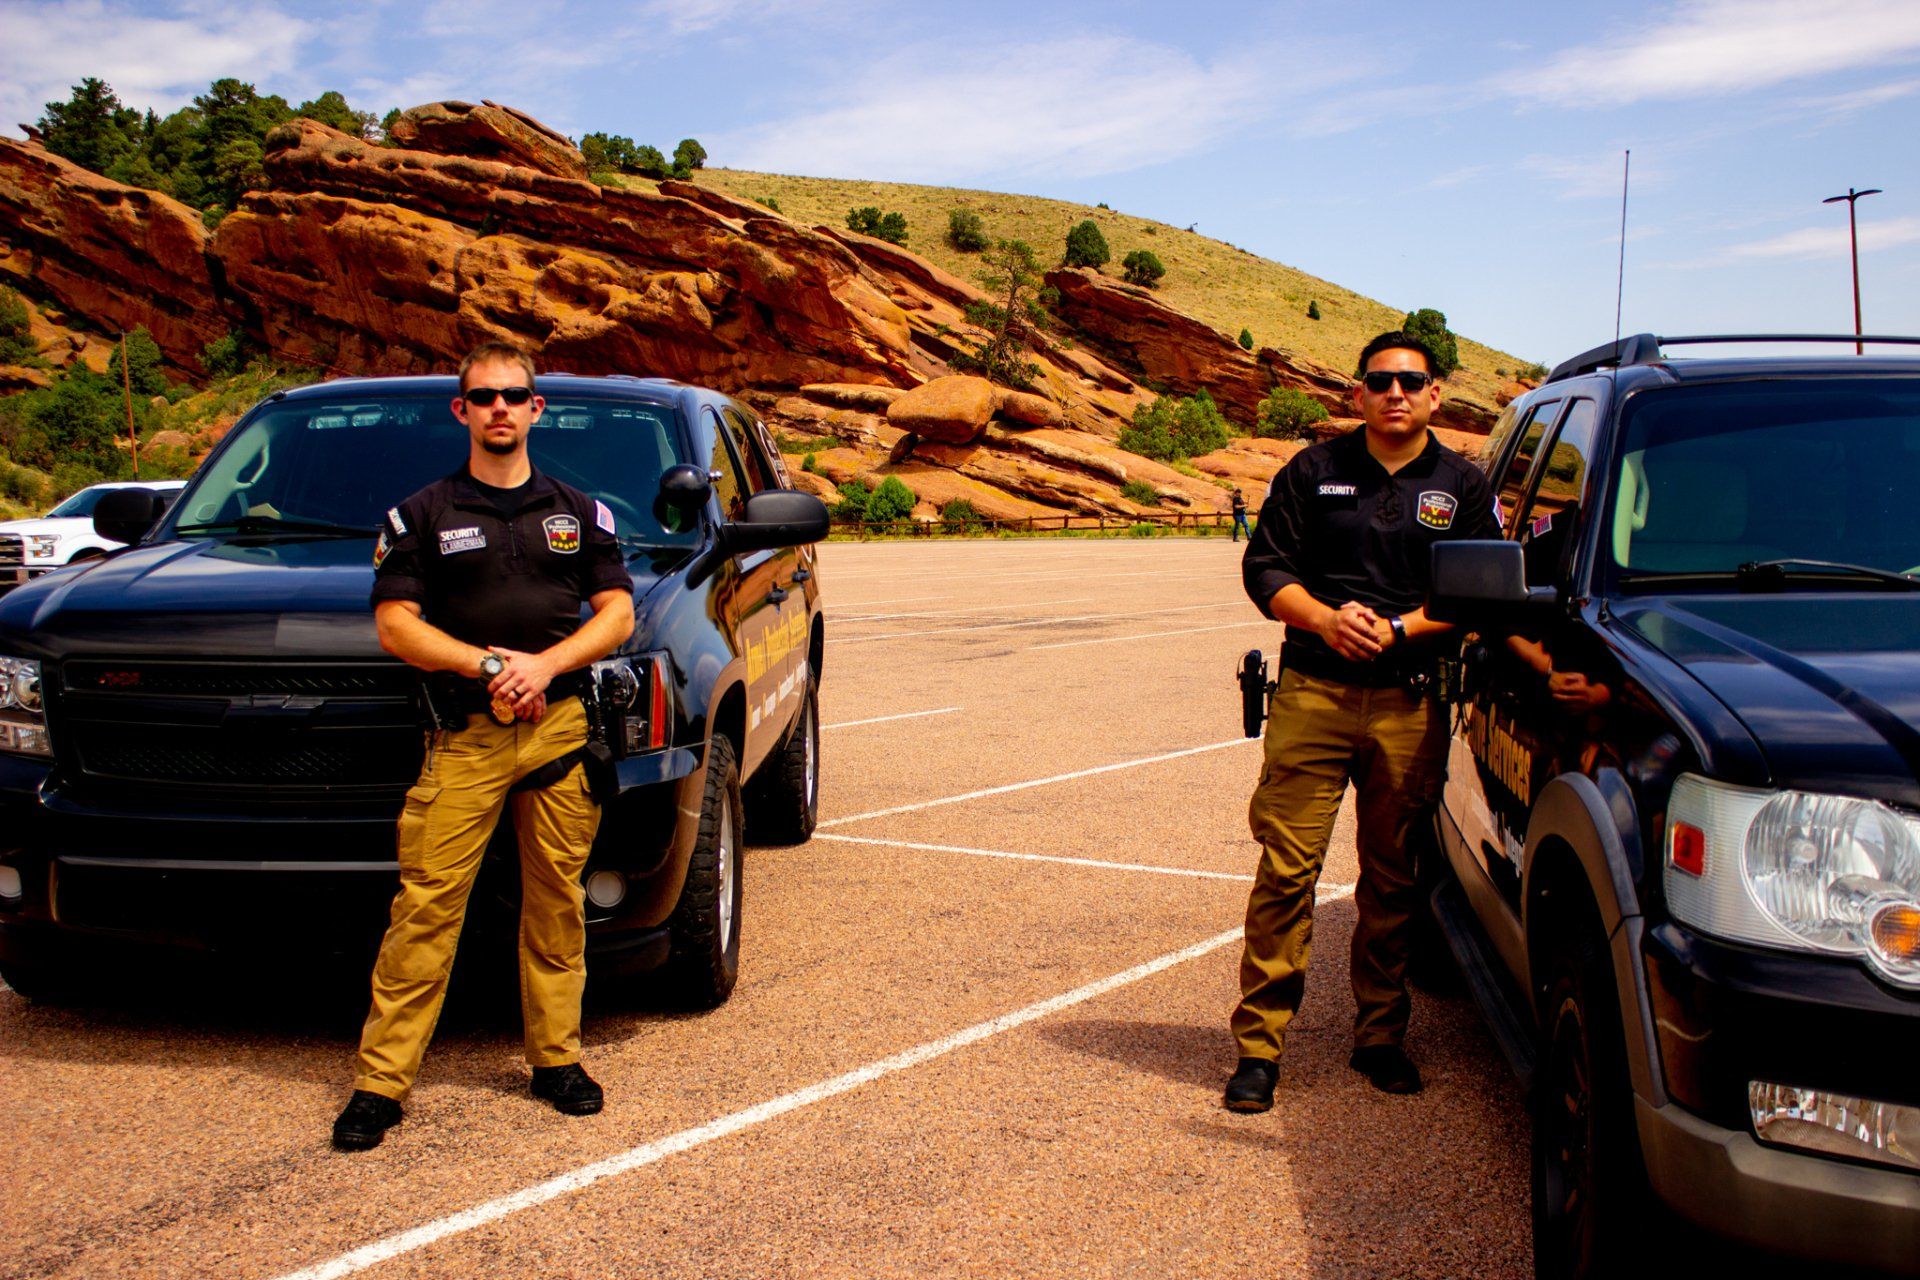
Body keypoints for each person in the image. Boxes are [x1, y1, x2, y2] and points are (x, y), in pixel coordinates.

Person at [332, 340, 635, 1151]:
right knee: (426, 910)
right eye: (483, 397)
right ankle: (381, 1085)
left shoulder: (582, 511)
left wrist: (545, 667)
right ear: (461, 411)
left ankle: (556, 1061)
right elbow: (396, 625)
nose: (499, 408)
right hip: (464, 737)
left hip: (558, 734)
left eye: (514, 395)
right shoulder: (422, 515)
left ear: (537, 409)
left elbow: (616, 614)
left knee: (556, 905)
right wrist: (493, 666)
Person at [1224, 330, 1498, 1111]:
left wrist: (1404, 628)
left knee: (1393, 877)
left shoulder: (1462, 485)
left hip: (1410, 697)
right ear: (1357, 394)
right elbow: (1265, 567)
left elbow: (1477, 590)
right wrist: (1321, 620)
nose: (1396, 393)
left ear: (1436, 394)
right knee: (1286, 871)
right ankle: (1258, 1049)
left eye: (1411, 381)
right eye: (1380, 381)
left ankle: (1380, 1035)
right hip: (1316, 692)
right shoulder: (1314, 472)